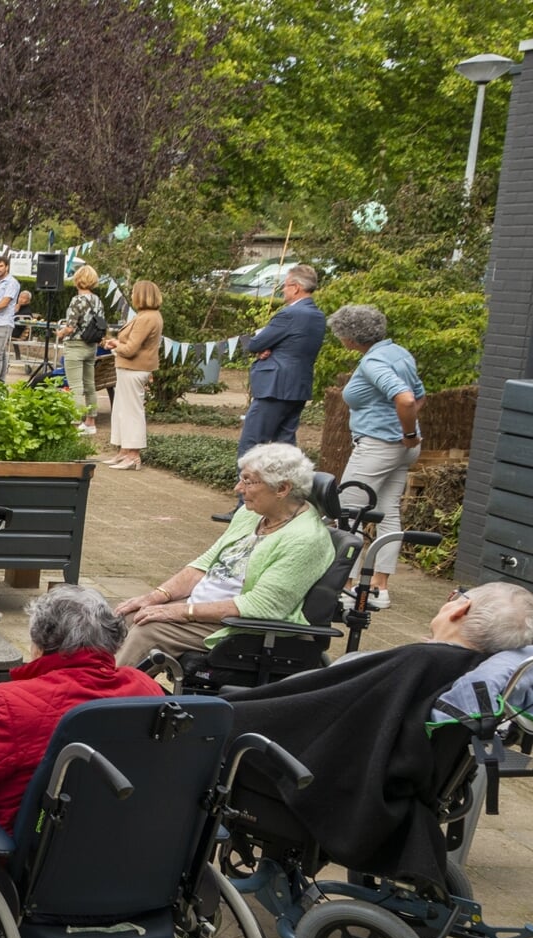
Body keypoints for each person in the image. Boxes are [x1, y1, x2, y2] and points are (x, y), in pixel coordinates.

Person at [226, 582, 533, 889]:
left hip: (325, 777)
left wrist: (225, 712)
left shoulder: (419, 662)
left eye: (455, 596)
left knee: (207, 732)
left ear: (460, 608)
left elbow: (306, 709)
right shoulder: (458, 668)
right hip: (387, 779)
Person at [0, 587, 163, 858]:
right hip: (124, 849)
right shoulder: (147, 690)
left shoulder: (18, 702)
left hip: (32, 852)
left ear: (41, 643)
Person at [112, 443, 335, 667]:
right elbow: (205, 564)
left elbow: (263, 606)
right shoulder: (252, 515)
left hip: (240, 625)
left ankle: (106, 697)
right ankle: (86, 684)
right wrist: (154, 597)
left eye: (248, 481)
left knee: (148, 630)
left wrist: (182, 611)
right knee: (122, 618)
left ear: (282, 489)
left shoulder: (305, 539)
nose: (238, 488)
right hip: (204, 607)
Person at [331, 303, 425, 609]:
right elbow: (420, 395)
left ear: (352, 338)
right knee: (387, 513)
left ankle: (345, 588)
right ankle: (378, 589)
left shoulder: (374, 362)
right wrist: (405, 434)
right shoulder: (399, 352)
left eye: (340, 334)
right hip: (398, 448)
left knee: (348, 512)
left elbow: (407, 398)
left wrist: (406, 432)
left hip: (378, 447)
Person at [238, 263, 326, 457]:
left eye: (285, 285)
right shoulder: (319, 316)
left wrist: (264, 347)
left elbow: (254, 344)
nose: (283, 290)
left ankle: (245, 487)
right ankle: (284, 487)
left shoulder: (290, 313)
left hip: (275, 387)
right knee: (284, 446)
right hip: (298, 387)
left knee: (252, 444)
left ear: (296, 287)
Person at [101, 279, 163, 470]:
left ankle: (133, 455)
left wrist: (115, 344)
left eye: (135, 292)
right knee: (121, 411)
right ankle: (123, 451)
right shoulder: (146, 315)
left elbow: (130, 349)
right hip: (128, 368)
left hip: (134, 368)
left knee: (131, 413)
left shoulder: (147, 318)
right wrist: (116, 344)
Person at [56, 265, 106, 434]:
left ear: (78, 280)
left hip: (75, 345)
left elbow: (70, 327)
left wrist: (60, 332)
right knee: (90, 385)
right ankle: (90, 422)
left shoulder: (76, 300)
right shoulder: (97, 300)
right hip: (91, 345)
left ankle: (75, 423)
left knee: (75, 386)